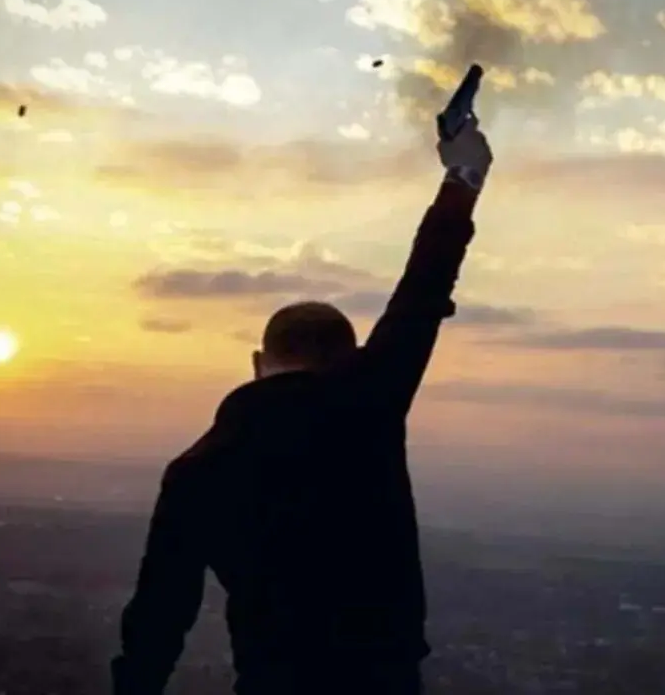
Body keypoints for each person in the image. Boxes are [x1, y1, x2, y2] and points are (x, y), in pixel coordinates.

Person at [111, 118, 493, 695]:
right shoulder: (369, 404)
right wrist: (464, 173)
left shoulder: (197, 469)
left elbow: (160, 615)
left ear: (258, 362)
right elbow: (424, 285)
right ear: (349, 358)